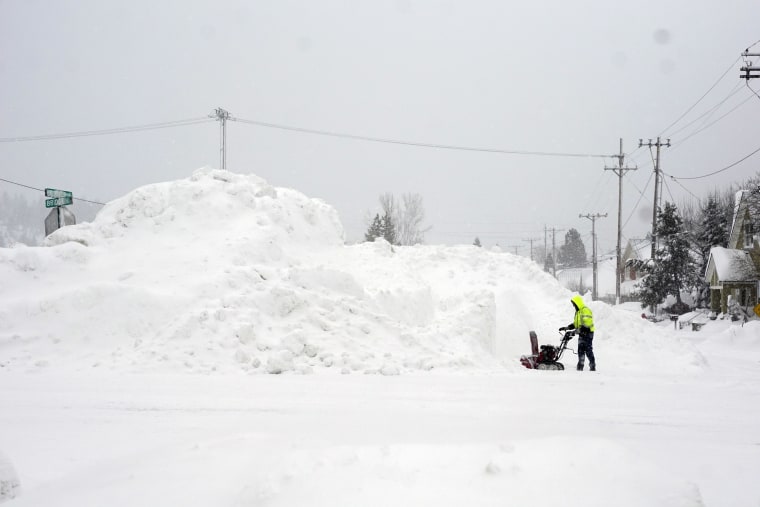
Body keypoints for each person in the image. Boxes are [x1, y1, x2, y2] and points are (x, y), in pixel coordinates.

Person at [559, 295, 596, 371]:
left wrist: (574, 332)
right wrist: (567, 328)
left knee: (588, 350)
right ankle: (580, 365)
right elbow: (576, 324)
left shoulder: (585, 310)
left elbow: (586, 326)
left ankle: (592, 366)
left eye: (574, 304)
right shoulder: (578, 312)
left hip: (588, 333)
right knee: (580, 350)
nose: (573, 306)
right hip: (582, 334)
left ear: (577, 303)